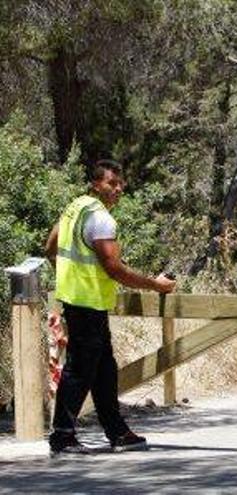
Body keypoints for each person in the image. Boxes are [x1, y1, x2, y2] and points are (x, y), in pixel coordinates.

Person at [44, 159, 176, 456]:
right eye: (111, 184)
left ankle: (117, 432)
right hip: (88, 302)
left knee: (104, 369)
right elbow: (114, 268)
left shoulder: (74, 207)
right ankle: (62, 436)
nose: (117, 190)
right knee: (79, 370)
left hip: (77, 300)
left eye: (120, 185)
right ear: (95, 184)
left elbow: (50, 246)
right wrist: (155, 285)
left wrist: (67, 273)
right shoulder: (102, 219)